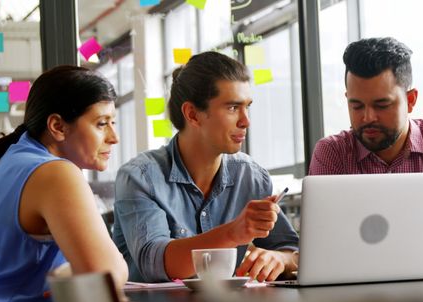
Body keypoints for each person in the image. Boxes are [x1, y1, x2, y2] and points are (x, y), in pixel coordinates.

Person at [309, 37, 423, 270]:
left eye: (381, 105)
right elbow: (326, 254)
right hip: (358, 299)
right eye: (356, 106)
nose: (367, 117)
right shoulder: (331, 154)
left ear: (410, 100)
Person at [113, 51, 299, 283]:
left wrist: (279, 259)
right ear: (192, 114)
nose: (246, 121)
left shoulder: (250, 176)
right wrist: (233, 233)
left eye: (247, 107)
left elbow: (292, 250)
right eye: (232, 108)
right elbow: (154, 262)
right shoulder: (140, 177)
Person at [0, 66, 128, 302]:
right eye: (101, 123)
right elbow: (105, 276)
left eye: (113, 122)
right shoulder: (54, 172)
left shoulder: (14, 158)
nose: (113, 137)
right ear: (58, 126)